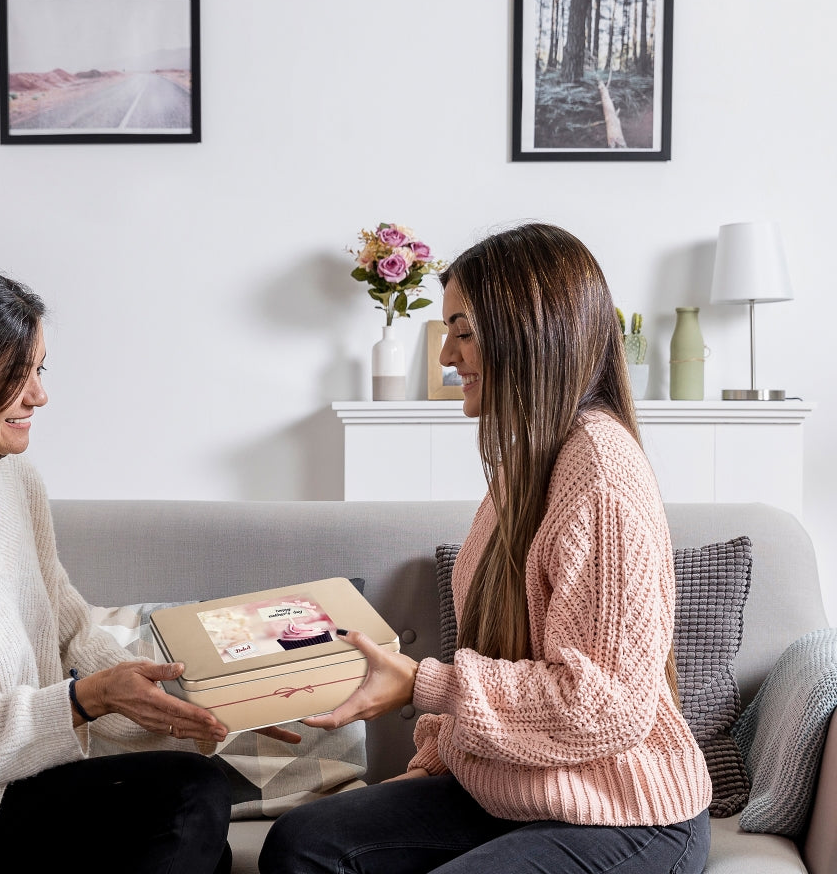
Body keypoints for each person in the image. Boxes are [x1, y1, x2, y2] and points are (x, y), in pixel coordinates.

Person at [259, 223, 713, 874]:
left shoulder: (603, 477)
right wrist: (430, 769)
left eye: (464, 332)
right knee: (303, 843)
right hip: (514, 790)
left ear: (532, 332)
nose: (447, 356)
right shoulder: (523, 466)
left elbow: (601, 707)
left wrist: (426, 684)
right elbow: (503, 652)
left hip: (627, 812)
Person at [0, 262, 298, 874]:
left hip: (19, 785)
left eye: (39, 370)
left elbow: (71, 634)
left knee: (198, 828)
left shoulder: (16, 479)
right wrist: (88, 699)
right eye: (14, 375)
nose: (38, 396)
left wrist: (203, 697)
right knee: (189, 798)